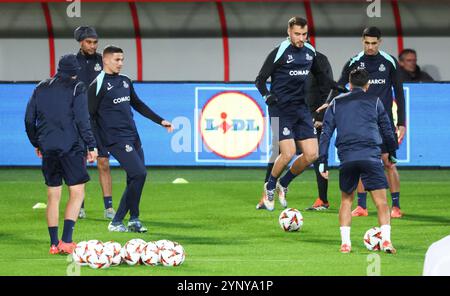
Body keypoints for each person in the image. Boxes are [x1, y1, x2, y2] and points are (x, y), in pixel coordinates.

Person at [254, 16, 343, 211]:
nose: (301, 38)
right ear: (289, 32)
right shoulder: (280, 52)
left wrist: (336, 86)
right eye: (297, 34)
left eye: (304, 34)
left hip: (301, 108)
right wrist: (267, 96)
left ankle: (283, 183)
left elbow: (321, 76)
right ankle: (269, 186)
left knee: (312, 154)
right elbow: (260, 79)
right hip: (279, 108)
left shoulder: (310, 52)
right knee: (288, 153)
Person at [88, 45, 173, 233]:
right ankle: (116, 221)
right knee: (139, 173)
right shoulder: (98, 84)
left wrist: (160, 121)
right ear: (106, 60)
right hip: (115, 139)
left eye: (122, 59)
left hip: (133, 137)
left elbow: (138, 104)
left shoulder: (126, 81)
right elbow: (90, 116)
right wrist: (95, 145)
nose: (121, 63)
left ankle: (134, 219)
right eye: (117, 60)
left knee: (135, 178)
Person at [25, 54, 98, 254]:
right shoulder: (78, 87)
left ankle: (53, 243)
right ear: (75, 72)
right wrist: (91, 145)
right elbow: (83, 119)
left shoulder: (41, 87)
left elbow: (29, 120)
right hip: (71, 148)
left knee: (53, 195)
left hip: (48, 148)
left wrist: (37, 143)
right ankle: (66, 241)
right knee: (76, 193)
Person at [318, 68, 397, 254]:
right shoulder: (375, 101)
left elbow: (326, 133)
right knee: (381, 202)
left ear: (349, 85)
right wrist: (392, 152)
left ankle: (345, 244)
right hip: (371, 156)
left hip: (348, 158)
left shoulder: (336, 103)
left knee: (346, 201)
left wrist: (323, 160)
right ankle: (386, 241)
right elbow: (387, 129)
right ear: (367, 85)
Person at [331, 27, 406, 218]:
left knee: (388, 163)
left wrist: (402, 122)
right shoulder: (354, 62)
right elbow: (340, 86)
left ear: (379, 42)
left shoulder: (389, 62)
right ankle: (362, 206)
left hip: (385, 121)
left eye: (374, 43)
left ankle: (395, 206)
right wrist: (326, 106)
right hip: (361, 122)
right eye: (367, 43)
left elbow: (399, 92)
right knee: (362, 161)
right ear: (362, 41)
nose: (370, 47)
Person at [74, 26, 115, 220]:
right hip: (79, 120)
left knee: (104, 162)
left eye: (95, 42)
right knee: (79, 163)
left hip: (100, 121)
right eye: (89, 42)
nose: (93, 45)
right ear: (80, 42)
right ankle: (79, 206)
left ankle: (108, 207)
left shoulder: (103, 62)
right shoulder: (72, 63)